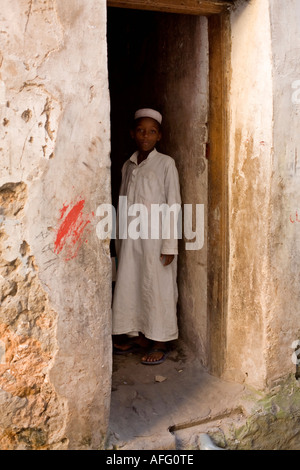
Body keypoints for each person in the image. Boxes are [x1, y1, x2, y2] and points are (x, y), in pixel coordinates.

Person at [112, 108, 181, 364]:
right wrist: (119, 240)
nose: (145, 136)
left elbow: (173, 204)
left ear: (159, 136)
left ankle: (160, 341)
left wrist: (170, 244)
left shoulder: (166, 164)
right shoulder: (127, 165)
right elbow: (121, 202)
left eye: (152, 131)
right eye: (141, 130)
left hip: (156, 239)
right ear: (132, 133)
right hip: (131, 239)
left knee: (158, 287)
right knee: (133, 284)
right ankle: (139, 335)